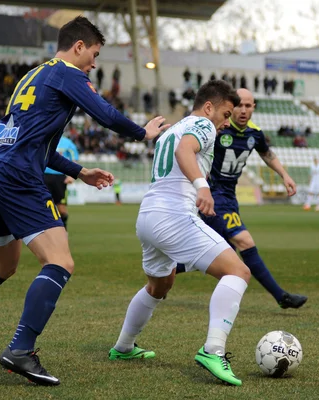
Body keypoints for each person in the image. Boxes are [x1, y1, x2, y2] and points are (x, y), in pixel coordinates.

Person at [0, 16, 169, 386]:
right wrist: (142, 132)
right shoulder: (69, 73)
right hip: (19, 176)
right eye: (95, 54)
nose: (95, 64)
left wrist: (80, 170)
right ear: (79, 46)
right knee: (60, 261)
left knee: (1, 267)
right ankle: (21, 349)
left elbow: (39, 143)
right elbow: (104, 114)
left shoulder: (33, 76)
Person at [108, 80, 251, 386]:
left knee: (159, 286)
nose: (226, 123)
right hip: (173, 214)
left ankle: (123, 347)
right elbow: (186, 150)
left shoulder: (174, 128)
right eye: (226, 114)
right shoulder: (203, 124)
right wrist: (202, 187)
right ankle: (213, 350)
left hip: (148, 216)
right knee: (238, 272)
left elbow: (179, 149)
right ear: (209, 107)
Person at [176, 88, 307, 309]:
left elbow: (267, 154)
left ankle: (167, 268)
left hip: (230, 197)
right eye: (239, 106)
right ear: (230, 106)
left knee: (221, 252)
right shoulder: (217, 129)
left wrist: (285, 175)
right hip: (214, 196)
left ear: (254, 107)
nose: (243, 110)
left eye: (249, 106)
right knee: (244, 241)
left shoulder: (254, 133)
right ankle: (281, 296)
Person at [43, 136, 79, 231]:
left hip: (60, 178)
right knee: (43, 207)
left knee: (61, 209)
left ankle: (64, 231)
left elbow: (74, 159)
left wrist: (71, 176)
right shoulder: (44, 138)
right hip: (44, 175)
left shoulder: (67, 143)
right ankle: (46, 233)